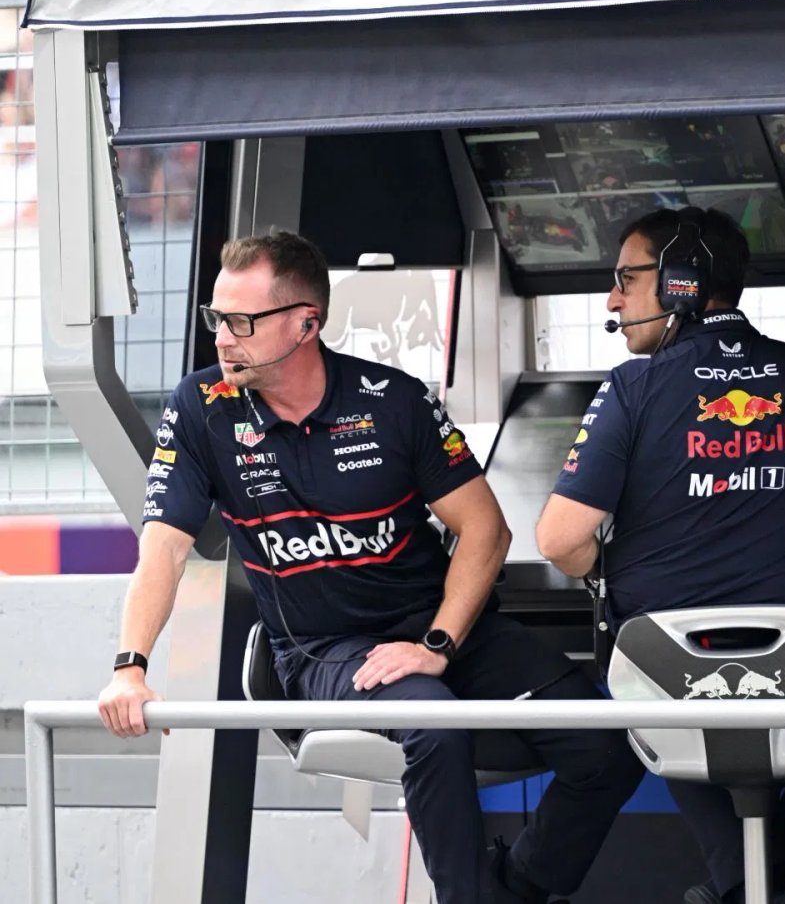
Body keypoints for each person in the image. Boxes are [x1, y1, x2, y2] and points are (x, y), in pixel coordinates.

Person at [97, 232, 641, 904]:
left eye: (242, 322)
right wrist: (130, 668)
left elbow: (486, 530)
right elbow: (164, 548)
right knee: (435, 724)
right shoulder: (201, 407)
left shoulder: (395, 400)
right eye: (217, 319)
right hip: (325, 651)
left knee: (609, 747)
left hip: (444, 632)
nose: (224, 338)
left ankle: (516, 890)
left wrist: (437, 643)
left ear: (306, 324)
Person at [534, 205, 785, 904]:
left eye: (625, 279)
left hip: (666, 673)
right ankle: (773, 880)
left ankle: (746, 884)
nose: (612, 300)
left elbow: (559, 540)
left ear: (681, 283)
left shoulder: (633, 388)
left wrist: (609, 570)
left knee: (661, 665)